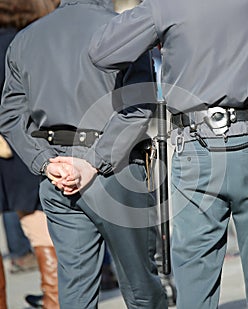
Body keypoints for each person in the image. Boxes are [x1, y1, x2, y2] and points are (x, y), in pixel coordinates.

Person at [87, 1, 248, 308]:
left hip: (198, 145)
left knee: (195, 278)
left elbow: (102, 51)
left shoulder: (168, 4)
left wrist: (160, 33)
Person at [0, 0, 167, 308]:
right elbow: (138, 108)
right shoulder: (122, 30)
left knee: (76, 290)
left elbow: (11, 117)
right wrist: (93, 162)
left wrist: (45, 162)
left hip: (57, 171)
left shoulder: (26, 38)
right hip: (113, 170)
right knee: (141, 286)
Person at [0, 0, 60, 308]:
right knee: (39, 223)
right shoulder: (39, 37)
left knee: (34, 222)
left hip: (8, 141)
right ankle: (54, 299)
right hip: (33, 138)